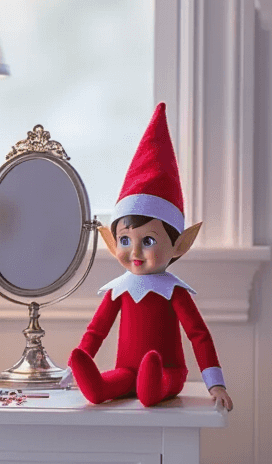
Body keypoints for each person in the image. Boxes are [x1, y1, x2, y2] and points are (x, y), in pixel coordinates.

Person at [68, 102, 233, 411]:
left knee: (156, 379)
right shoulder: (119, 289)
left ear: (179, 245)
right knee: (114, 382)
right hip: (128, 370)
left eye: (148, 240)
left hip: (168, 372)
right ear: (111, 241)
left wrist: (216, 383)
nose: (134, 251)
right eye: (125, 240)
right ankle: (98, 385)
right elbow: (96, 330)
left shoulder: (174, 291)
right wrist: (75, 364)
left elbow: (199, 336)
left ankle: (152, 386)